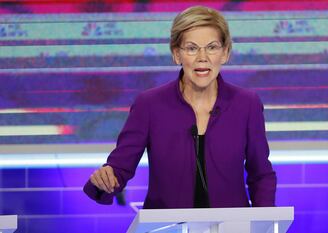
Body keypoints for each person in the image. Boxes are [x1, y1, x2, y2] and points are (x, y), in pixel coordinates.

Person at [83, 5, 276, 208]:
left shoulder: (247, 104)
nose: (203, 57)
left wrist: (264, 222)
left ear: (225, 53)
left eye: (212, 47)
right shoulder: (149, 105)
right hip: (167, 227)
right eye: (192, 48)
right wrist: (106, 180)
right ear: (176, 54)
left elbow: (261, 174)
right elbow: (119, 169)